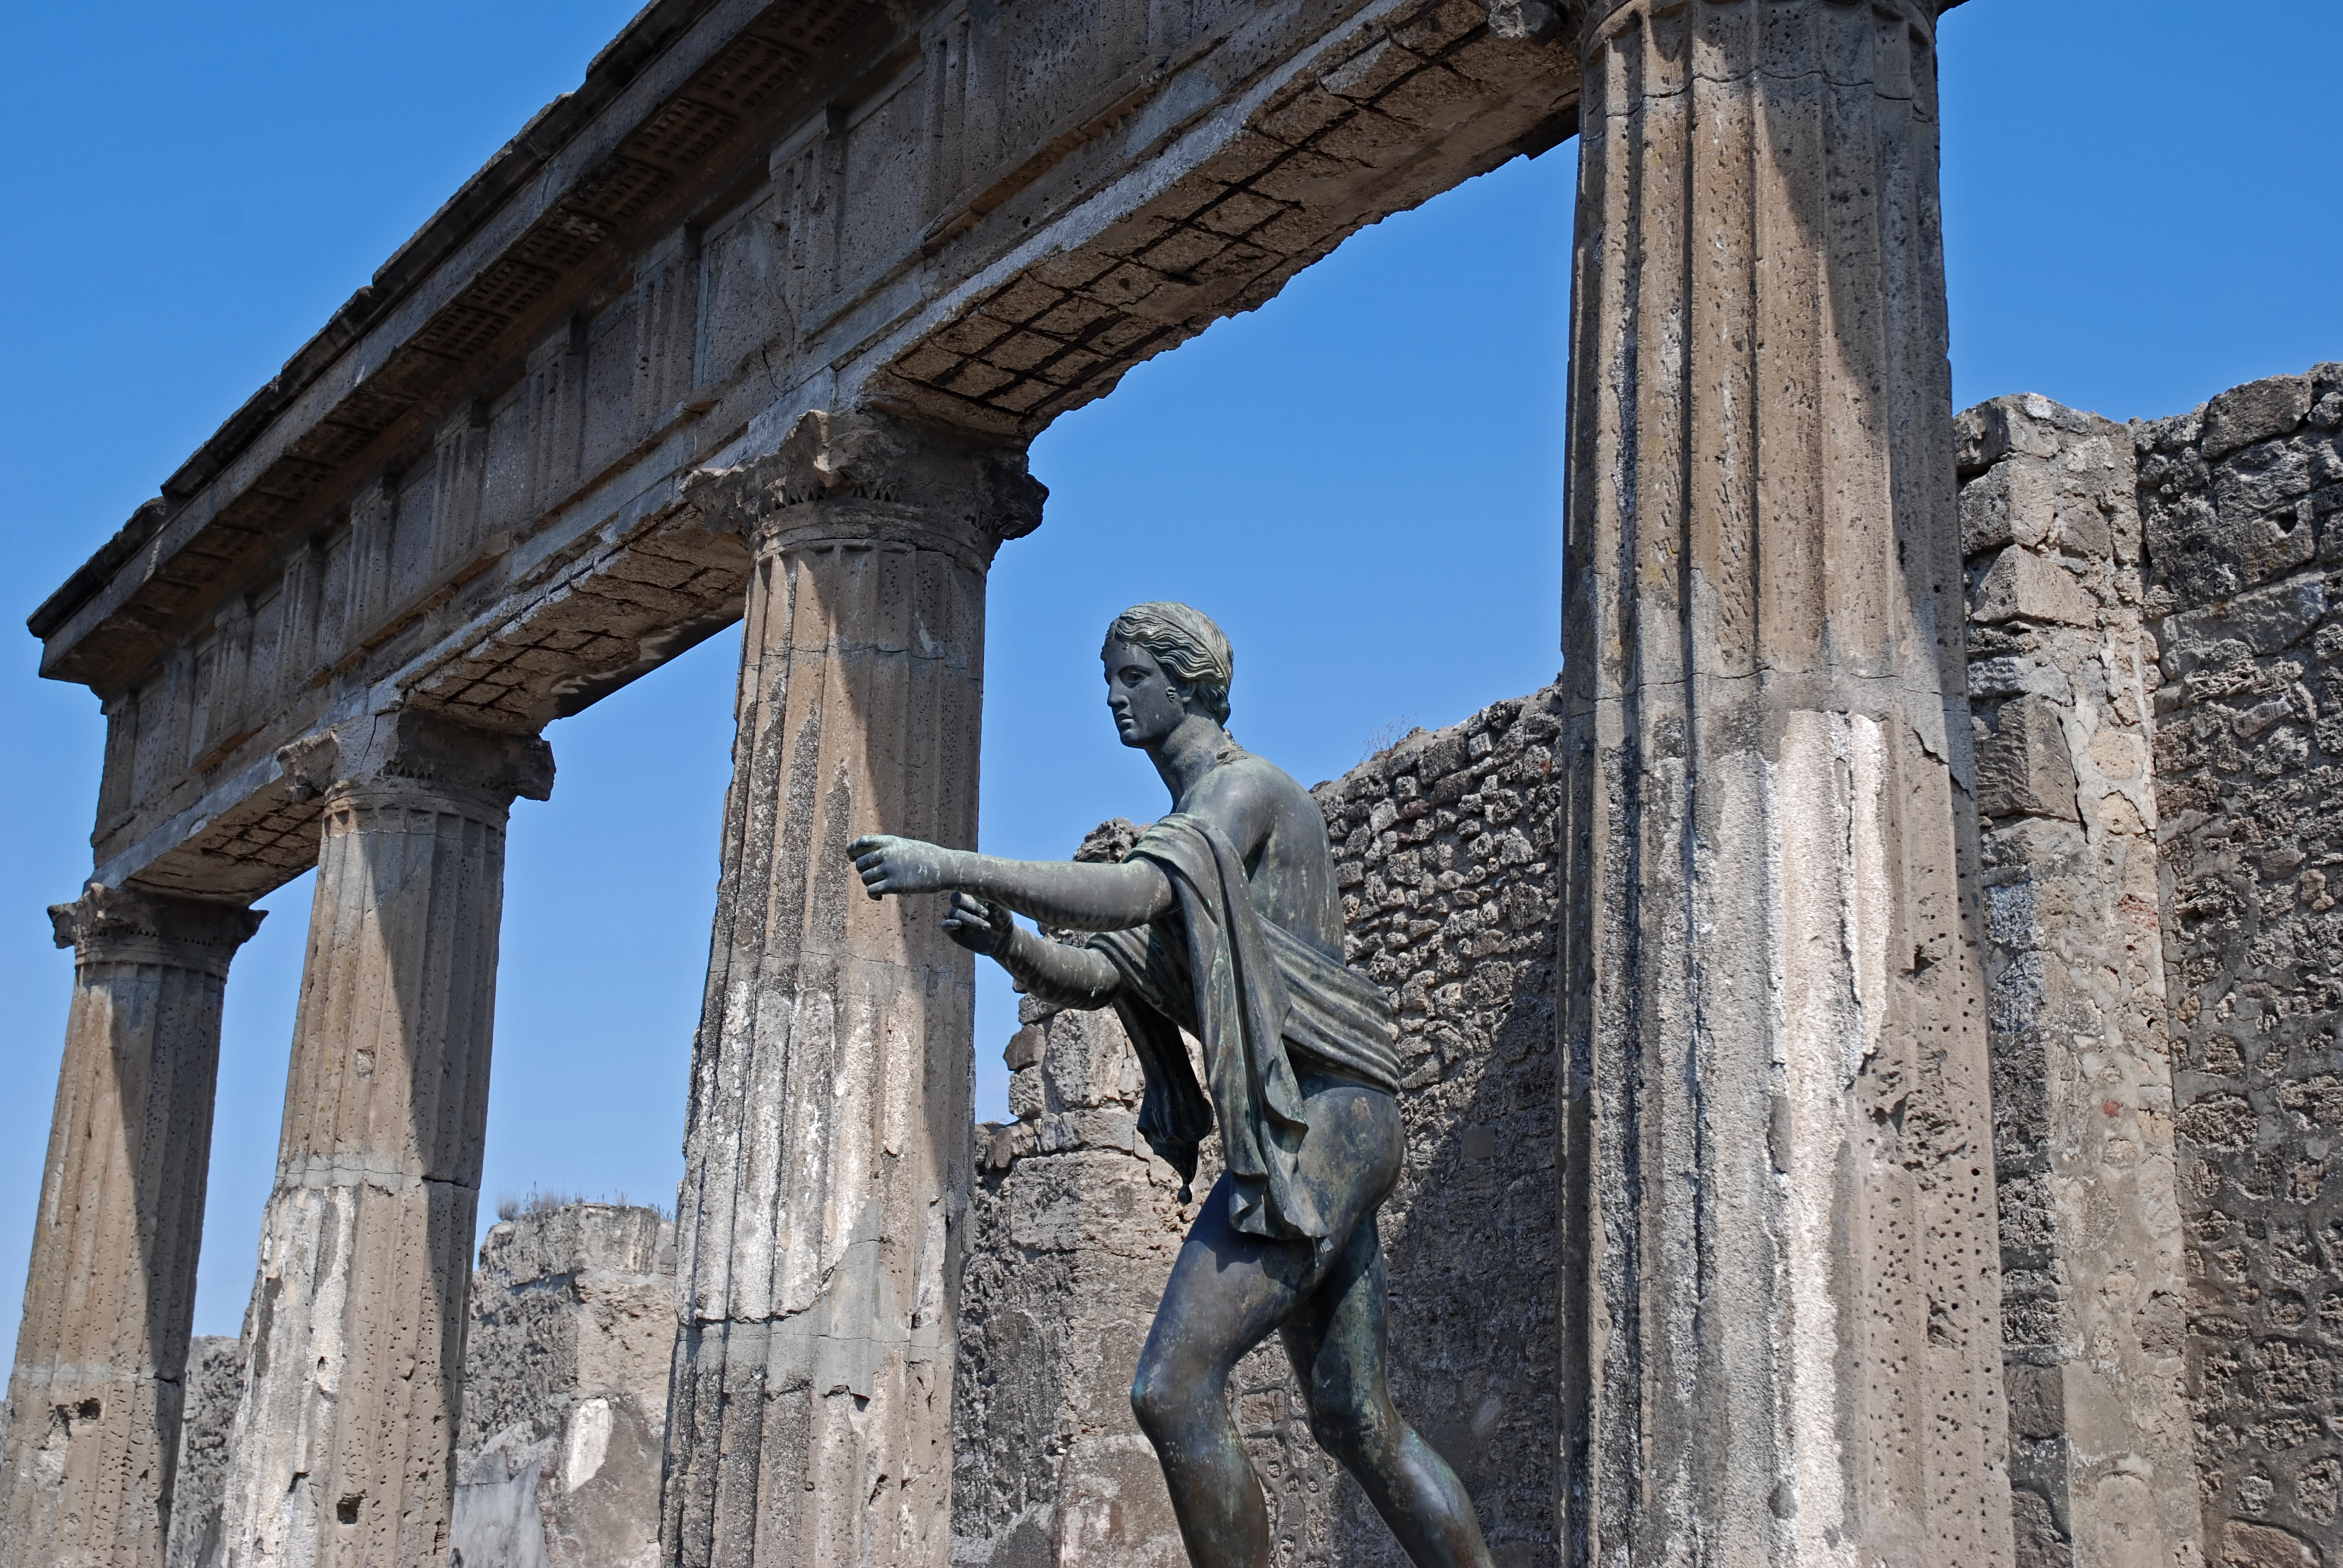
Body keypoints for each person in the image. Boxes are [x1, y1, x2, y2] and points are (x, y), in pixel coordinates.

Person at [847, 602, 1492, 1568]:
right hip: (1323, 1125)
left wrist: (947, 862)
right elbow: (1106, 970)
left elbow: (1137, 898)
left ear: (1190, 685)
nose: (1112, 695)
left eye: (1133, 676)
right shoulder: (1190, 835)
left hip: (1321, 1121)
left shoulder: (1242, 798)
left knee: (1173, 1387)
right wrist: (1013, 943)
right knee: (1356, 1418)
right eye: (1108, 676)